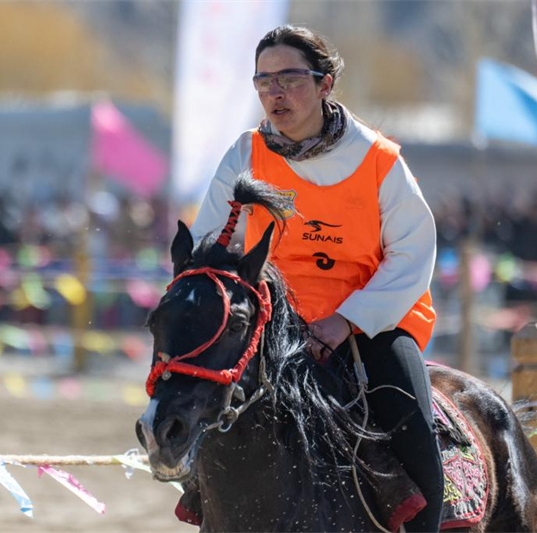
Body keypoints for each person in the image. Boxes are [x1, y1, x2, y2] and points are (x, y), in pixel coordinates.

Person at [190, 25, 442, 532]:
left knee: (419, 451)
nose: (274, 93)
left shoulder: (379, 160)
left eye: (289, 78)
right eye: (263, 82)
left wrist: (346, 321)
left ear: (325, 84)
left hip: (370, 326)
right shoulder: (245, 154)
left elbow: (414, 253)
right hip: (271, 325)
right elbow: (210, 243)